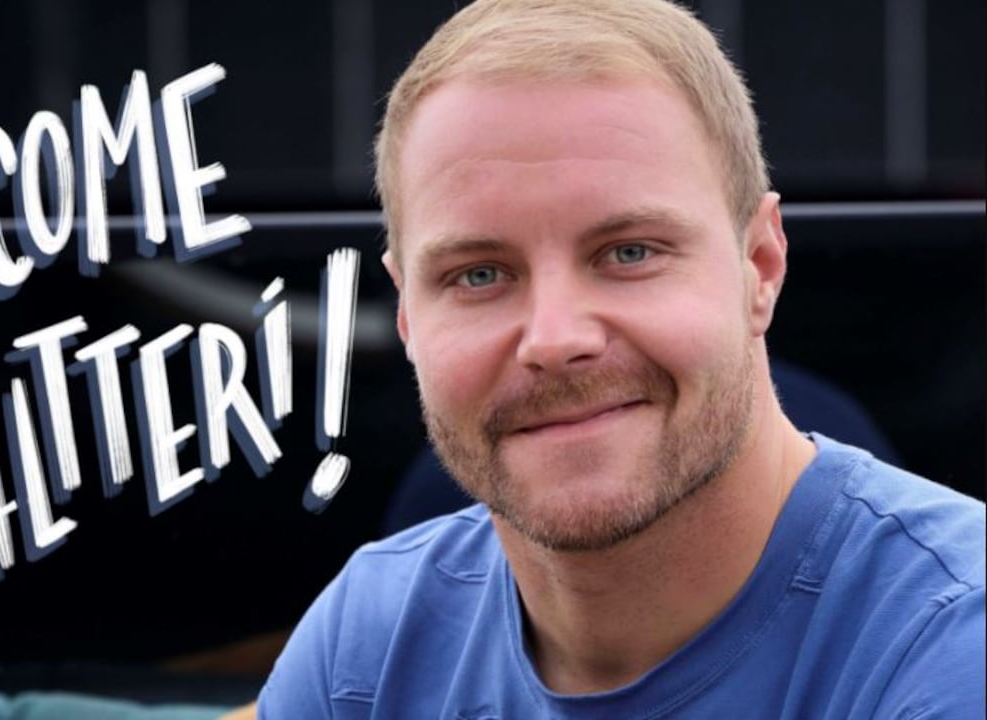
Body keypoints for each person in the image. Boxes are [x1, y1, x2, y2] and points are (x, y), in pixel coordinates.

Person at [258, 0, 986, 717]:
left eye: (629, 253)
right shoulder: (367, 650)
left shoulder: (953, 639)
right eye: (478, 275)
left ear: (760, 265)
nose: (553, 339)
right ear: (408, 315)